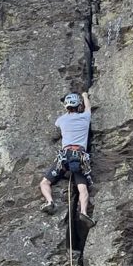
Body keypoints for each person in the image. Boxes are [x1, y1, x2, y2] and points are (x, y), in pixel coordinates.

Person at [40, 91, 96, 227]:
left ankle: (50, 202)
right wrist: (84, 96)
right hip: (80, 157)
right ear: (79, 106)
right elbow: (88, 108)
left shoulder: (61, 120)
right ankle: (83, 212)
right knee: (82, 188)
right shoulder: (85, 117)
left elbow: (54, 134)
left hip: (65, 156)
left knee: (45, 183)